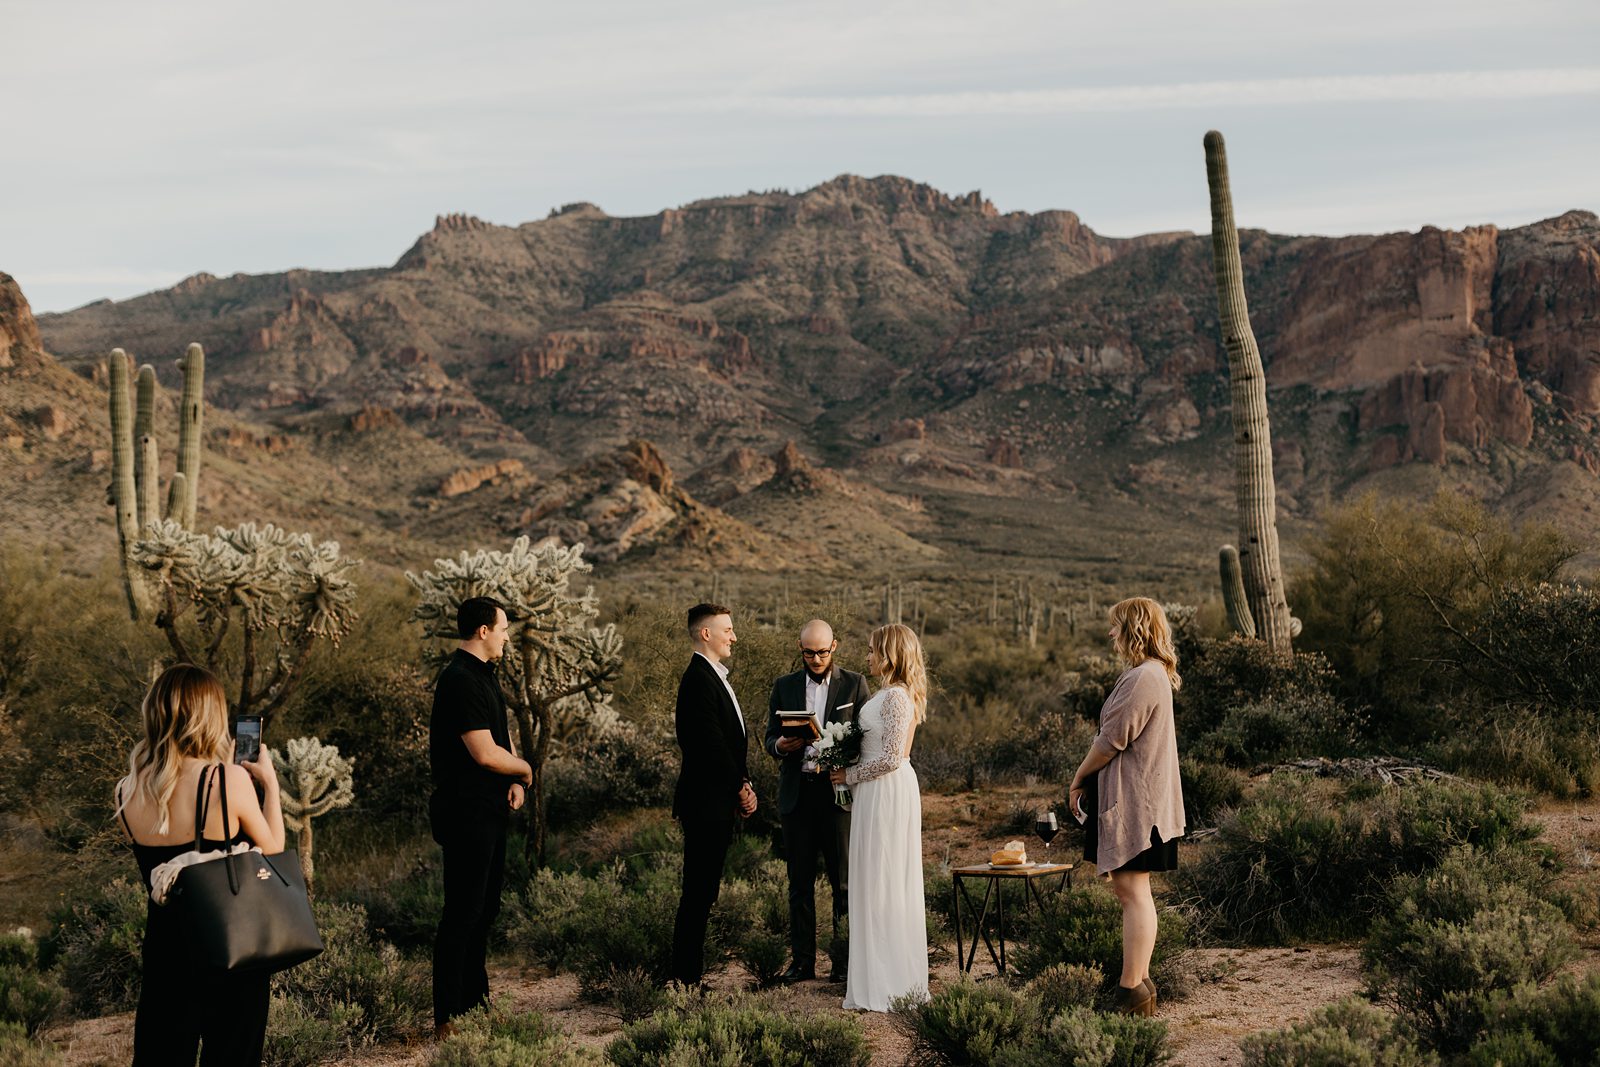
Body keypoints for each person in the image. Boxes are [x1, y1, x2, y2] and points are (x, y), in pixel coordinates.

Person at [115, 663, 286, 1067]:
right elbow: (274, 848)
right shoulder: (226, 780)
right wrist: (270, 785)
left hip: (166, 956)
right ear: (210, 716)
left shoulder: (126, 789)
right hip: (229, 950)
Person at [1068, 597, 1186, 1017]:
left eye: (1116, 626)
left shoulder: (1142, 677)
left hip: (1139, 805)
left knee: (1132, 892)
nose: (1111, 634)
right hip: (1142, 800)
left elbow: (1111, 740)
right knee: (1134, 892)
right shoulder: (1151, 674)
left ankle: (1130, 990)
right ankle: (1140, 985)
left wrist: (1079, 777)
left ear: (1134, 629)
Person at [430, 596, 531, 1037]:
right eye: (504, 627)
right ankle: (448, 1016)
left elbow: (497, 745)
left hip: (489, 809)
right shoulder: (460, 680)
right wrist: (525, 769)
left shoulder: (484, 677)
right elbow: (486, 754)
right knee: (463, 912)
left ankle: (476, 1003)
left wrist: (515, 782)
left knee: (484, 909)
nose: (508, 635)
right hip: (466, 812)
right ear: (484, 631)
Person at [764, 618, 872, 984]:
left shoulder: (855, 684)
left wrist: (843, 757)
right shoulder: (783, 686)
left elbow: (867, 739)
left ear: (835, 647)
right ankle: (802, 963)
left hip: (837, 796)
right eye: (809, 653)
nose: (815, 658)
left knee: (842, 883)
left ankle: (842, 962)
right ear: (800, 649)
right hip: (798, 794)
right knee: (799, 884)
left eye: (822, 652)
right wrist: (782, 745)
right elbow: (769, 738)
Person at [829, 622, 928, 1011]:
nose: (867, 656)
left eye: (872, 650)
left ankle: (890, 983)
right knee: (874, 879)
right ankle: (875, 978)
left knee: (884, 878)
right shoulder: (890, 695)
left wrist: (847, 775)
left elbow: (891, 759)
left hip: (886, 791)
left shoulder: (896, 698)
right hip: (874, 791)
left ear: (889, 655)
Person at [670, 602, 757, 987]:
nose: (734, 636)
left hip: (717, 800)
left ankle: (688, 976)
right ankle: (686, 980)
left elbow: (732, 743)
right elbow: (709, 746)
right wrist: (739, 787)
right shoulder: (698, 679)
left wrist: (745, 781)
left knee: (704, 893)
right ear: (706, 633)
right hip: (706, 803)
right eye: (728, 629)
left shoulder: (714, 676)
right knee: (697, 894)